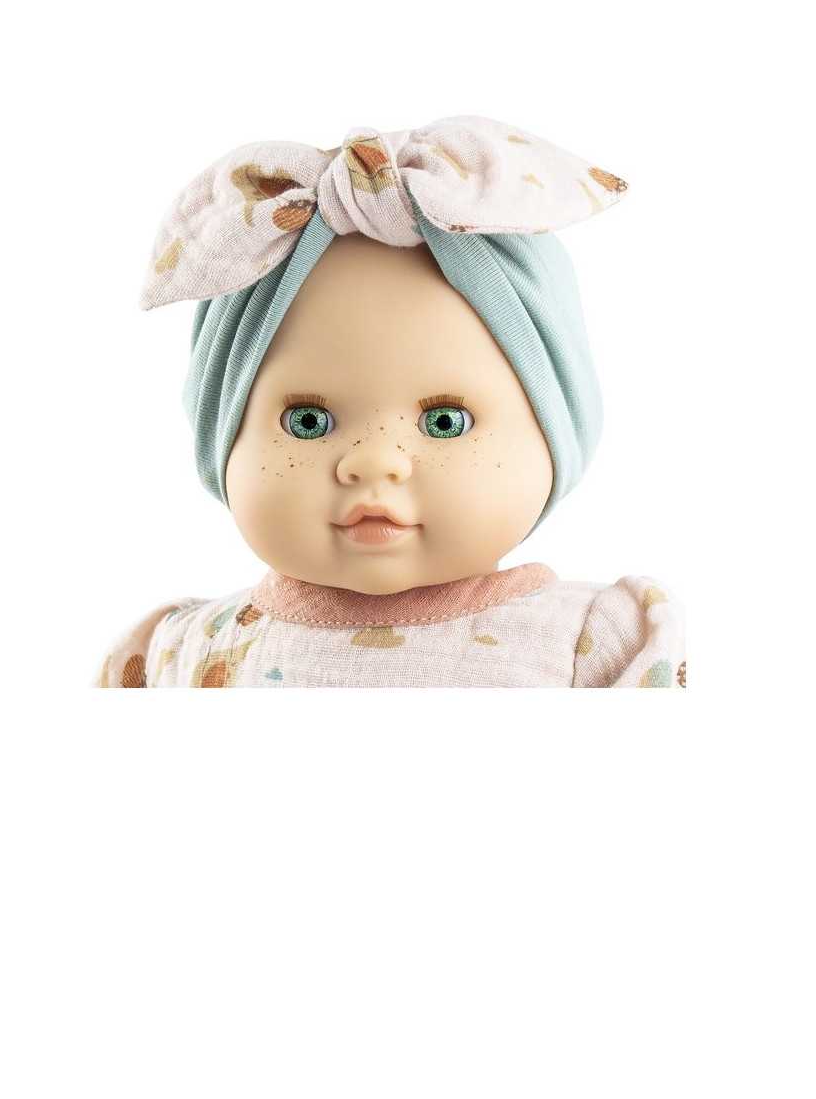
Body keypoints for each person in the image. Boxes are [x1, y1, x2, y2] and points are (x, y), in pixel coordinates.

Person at [95, 115, 685, 688]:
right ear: (220, 438)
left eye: (445, 421)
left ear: (558, 434)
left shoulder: (595, 647)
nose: (374, 462)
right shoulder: (175, 659)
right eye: (307, 421)